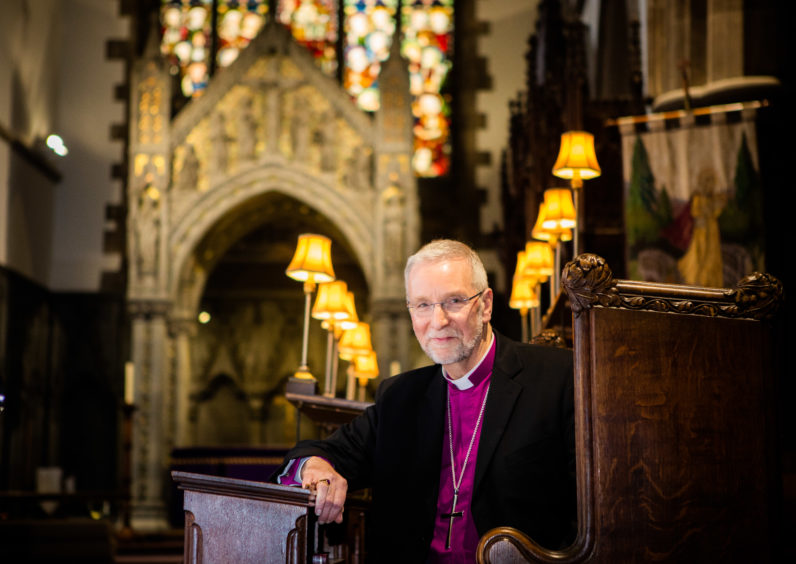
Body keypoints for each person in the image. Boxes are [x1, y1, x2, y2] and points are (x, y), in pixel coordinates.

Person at [274, 239, 575, 562]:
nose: (438, 320)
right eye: (422, 305)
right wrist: (317, 467)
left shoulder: (558, 378)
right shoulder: (400, 398)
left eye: (454, 301)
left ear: (486, 305)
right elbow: (316, 453)